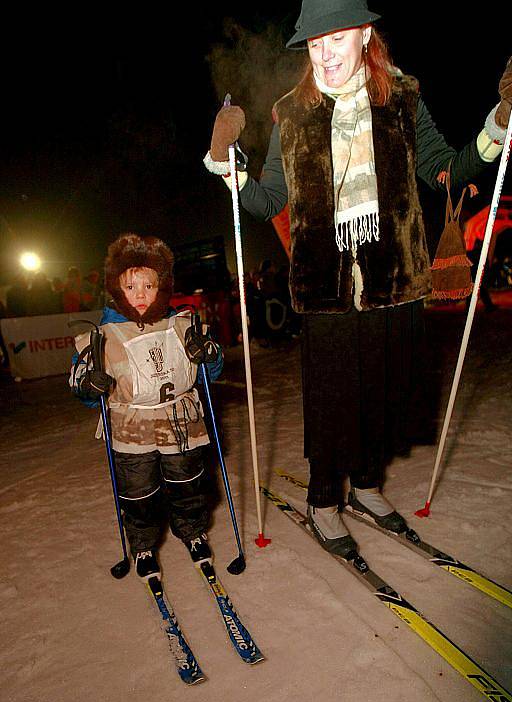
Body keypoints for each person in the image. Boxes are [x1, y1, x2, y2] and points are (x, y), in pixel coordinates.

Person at [204, 0, 512, 558]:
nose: (325, 53)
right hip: (325, 284)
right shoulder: (291, 114)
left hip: (391, 276)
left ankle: (367, 488)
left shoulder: (401, 101)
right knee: (333, 398)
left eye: (336, 39)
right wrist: (225, 159)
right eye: (314, 44)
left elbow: (445, 169)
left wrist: (499, 124)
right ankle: (325, 500)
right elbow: (268, 198)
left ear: (365, 36)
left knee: (382, 392)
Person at [70, 234, 223, 579]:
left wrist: (208, 354)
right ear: (116, 288)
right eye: (131, 286)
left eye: (148, 285)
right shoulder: (103, 335)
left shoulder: (181, 324)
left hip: (180, 421)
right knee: (139, 492)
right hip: (131, 427)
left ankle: (193, 531)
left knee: (189, 482)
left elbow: (212, 370)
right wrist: (88, 383)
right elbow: (79, 382)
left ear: (162, 287)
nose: (140, 294)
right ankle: (142, 544)